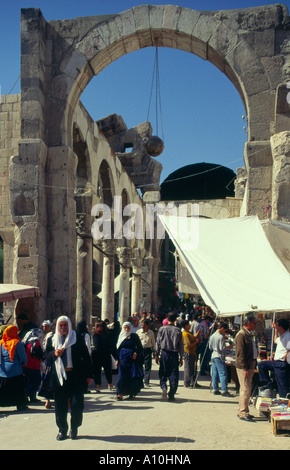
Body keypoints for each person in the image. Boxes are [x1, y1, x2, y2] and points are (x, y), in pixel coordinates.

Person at [45, 315, 93, 440]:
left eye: (65, 325)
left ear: (69, 325)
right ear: (57, 327)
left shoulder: (77, 338)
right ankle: (62, 430)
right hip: (59, 377)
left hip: (75, 376)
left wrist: (89, 375)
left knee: (77, 404)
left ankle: (74, 427)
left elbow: (86, 357)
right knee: (60, 405)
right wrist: (53, 354)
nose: (63, 327)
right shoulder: (52, 339)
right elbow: (46, 355)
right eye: (61, 325)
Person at [258, 318, 290, 398]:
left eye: (277, 326)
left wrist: (285, 356)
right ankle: (267, 383)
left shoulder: (288, 336)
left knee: (282, 386)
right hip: (276, 362)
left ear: (281, 327)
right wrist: (275, 330)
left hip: (282, 363)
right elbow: (275, 340)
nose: (275, 327)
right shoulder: (282, 336)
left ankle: (285, 402)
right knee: (262, 364)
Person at [155, 311, 184, 402]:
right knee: (174, 374)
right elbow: (181, 345)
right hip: (174, 355)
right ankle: (171, 394)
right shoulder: (178, 330)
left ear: (167, 319)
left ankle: (164, 387)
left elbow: (158, 343)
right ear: (175, 319)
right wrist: (181, 357)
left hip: (164, 353)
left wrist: (156, 354)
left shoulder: (162, 329)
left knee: (163, 372)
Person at [235, 313, 257, 421]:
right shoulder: (241, 334)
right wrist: (244, 368)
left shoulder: (248, 334)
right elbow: (240, 353)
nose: (255, 325)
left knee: (246, 389)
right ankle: (243, 412)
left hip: (249, 365)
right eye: (254, 323)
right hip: (245, 367)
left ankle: (243, 410)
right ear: (249, 323)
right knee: (245, 389)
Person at [0, 325, 28, 411]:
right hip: (16, 370)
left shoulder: (1, 342)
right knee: (18, 389)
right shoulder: (17, 343)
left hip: (2, 371)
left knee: (2, 390)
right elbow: (23, 357)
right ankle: (20, 405)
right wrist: (24, 363)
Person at [115, 322, 144, 400]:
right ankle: (120, 394)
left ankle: (131, 393)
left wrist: (136, 353)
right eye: (125, 328)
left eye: (128, 328)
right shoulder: (121, 337)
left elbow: (140, 347)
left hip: (132, 360)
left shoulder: (134, 336)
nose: (127, 329)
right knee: (121, 377)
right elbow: (118, 349)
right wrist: (117, 359)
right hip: (122, 360)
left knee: (131, 377)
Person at [209, 321, 233, 397]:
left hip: (213, 355)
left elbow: (210, 347)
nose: (225, 332)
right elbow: (222, 348)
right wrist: (228, 347)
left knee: (215, 374)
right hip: (219, 356)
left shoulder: (212, 335)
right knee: (223, 374)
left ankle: (215, 389)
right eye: (225, 330)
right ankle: (224, 390)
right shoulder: (220, 337)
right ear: (222, 328)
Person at [21, 327, 44, 403]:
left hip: (26, 365)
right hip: (34, 365)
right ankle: (26, 394)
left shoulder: (25, 341)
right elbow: (40, 354)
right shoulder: (36, 342)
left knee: (29, 381)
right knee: (36, 381)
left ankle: (31, 397)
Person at [92, 321, 113, 392]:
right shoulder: (95, 335)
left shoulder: (107, 335)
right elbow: (97, 344)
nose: (99, 328)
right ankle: (97, 386)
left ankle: (110, 383)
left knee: (108, 370)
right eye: (97, 326)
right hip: (97, 355)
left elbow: (110, 345)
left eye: (100, 326)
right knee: (97, 371)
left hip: (105, 354)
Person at [181, 320, 201, 388]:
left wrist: (198, 333)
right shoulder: (185, 334)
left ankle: (193, 382)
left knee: (192, 368)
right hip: (188, 353)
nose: (190, 326)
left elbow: (193, 337)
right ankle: (186, 383)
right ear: (186, 326)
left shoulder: (188, 332)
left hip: (192, 353)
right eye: (189, 325)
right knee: (188, 368)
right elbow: (188, 345)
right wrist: (196, 342)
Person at [137, 319, 156, 387]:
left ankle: (146, 381)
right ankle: (140, 380)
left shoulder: (151, 332)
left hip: (148, 350)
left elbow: (153, 342)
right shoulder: (138, 332)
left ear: (147, 326)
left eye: (144, 325)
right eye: (142, 325)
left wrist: (154, 351)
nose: (142, 326)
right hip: (140, 350)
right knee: (139, 365)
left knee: (148, 366)